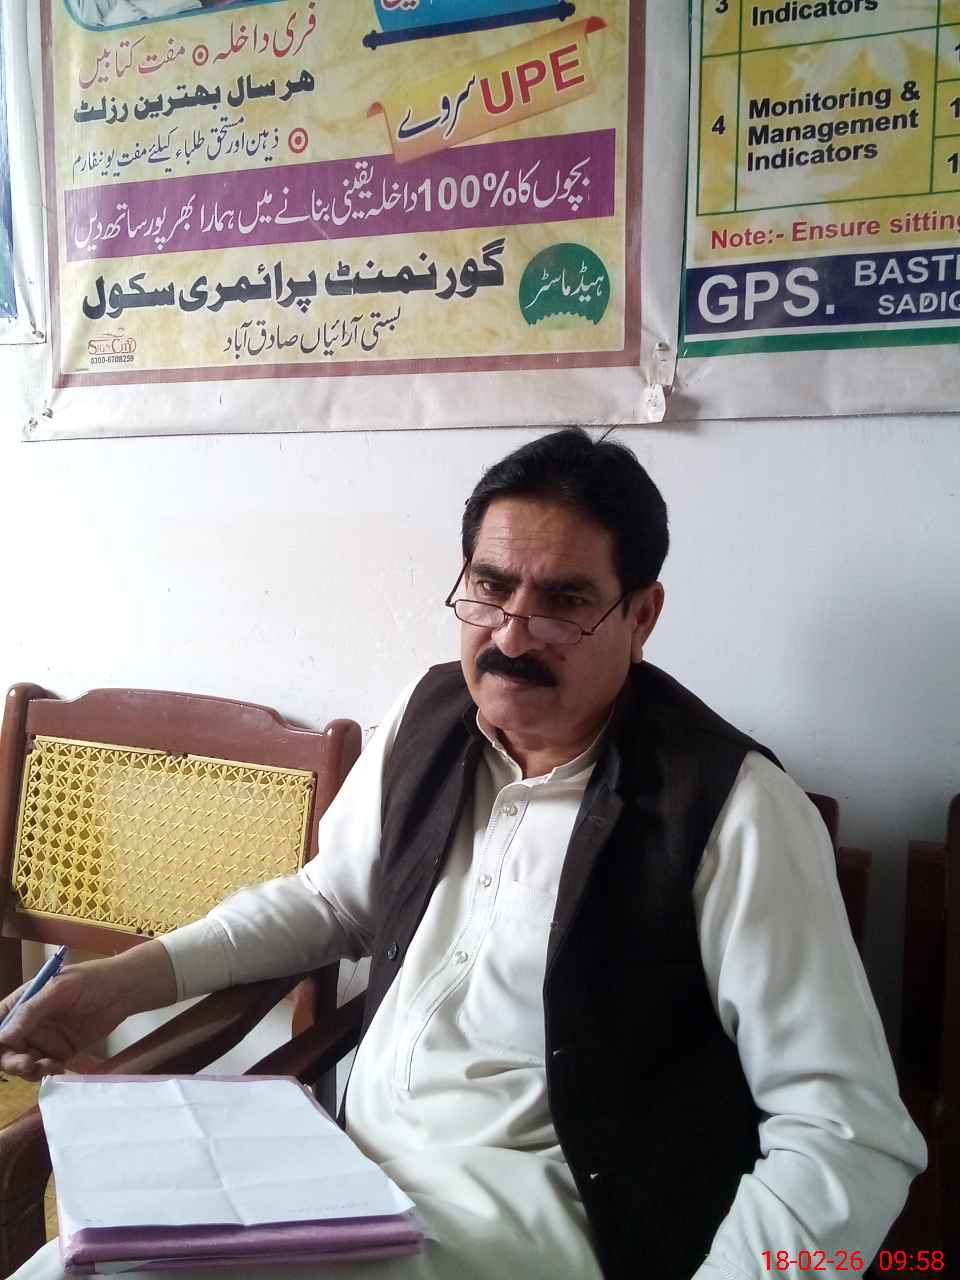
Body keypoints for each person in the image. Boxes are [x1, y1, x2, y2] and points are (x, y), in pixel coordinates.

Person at [1, 429, 925, 1280]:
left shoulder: (733, 809)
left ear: (642, 616)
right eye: (491, 588)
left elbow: (845, 1134)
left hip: (530, 1229)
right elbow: (330, 902)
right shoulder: (430, 716)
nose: (511, 636)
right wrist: (121, 983)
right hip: (331, 1176)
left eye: (565, 603)